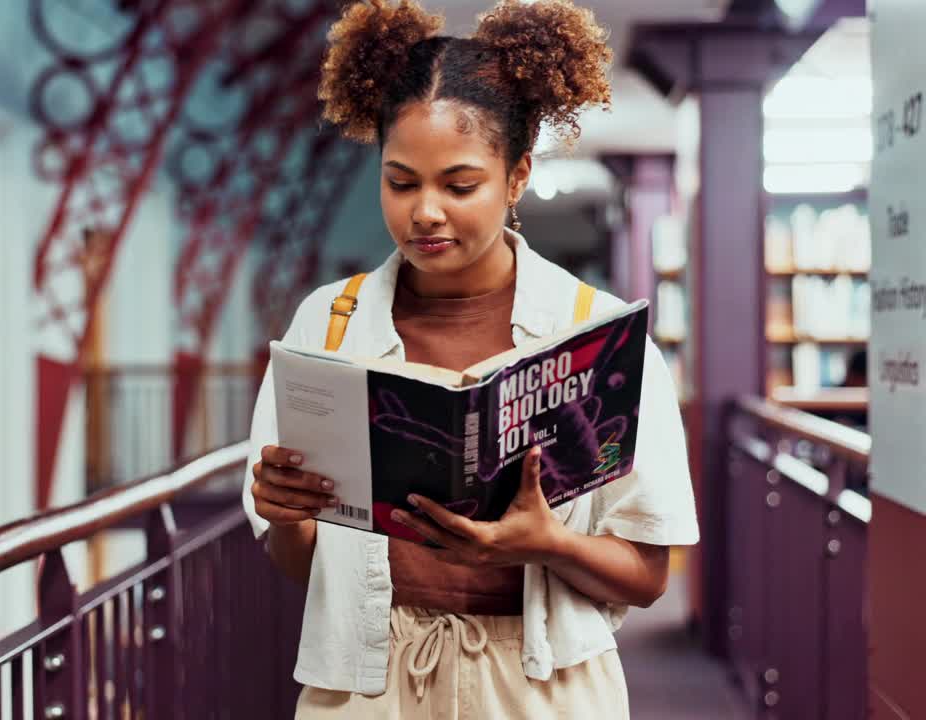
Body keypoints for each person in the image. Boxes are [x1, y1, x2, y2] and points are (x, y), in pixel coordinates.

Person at [242, 0, 700, 717]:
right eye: (401, 182)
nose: (425, 211)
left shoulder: (601, 339)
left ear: (516, 176)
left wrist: (550, 544)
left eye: (459, 185)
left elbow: (647, 574)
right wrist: (289, 516)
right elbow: (297, 562)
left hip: (542, 691)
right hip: (370, 686)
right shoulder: (327, 327)